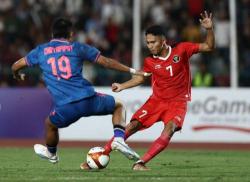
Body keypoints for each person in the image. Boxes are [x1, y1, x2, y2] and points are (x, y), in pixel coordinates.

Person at [80, 11, 215, 170]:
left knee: (169, 130)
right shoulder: (150, 61)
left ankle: (141, 163)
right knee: (131, 126)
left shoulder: (182, 49)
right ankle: (102, 155)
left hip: (177, 103)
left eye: (153, 42)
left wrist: (209, 29)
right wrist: (122, 86)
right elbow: (141, 78)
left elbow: (208, 46)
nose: (150, 46)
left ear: (163, 41)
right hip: (156, 102)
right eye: (148, 43)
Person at [11, 18, 150, 165]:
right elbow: (106, 62)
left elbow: (16, 65)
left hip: (65, 108)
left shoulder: (40, 51)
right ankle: (119, 139)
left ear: (52, 34)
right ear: (71, 34)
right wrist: (132, 70)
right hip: (88, 100)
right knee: (119, 105)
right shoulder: (77, 48)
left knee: (50, 124)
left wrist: (17, 75)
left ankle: (52, 154)